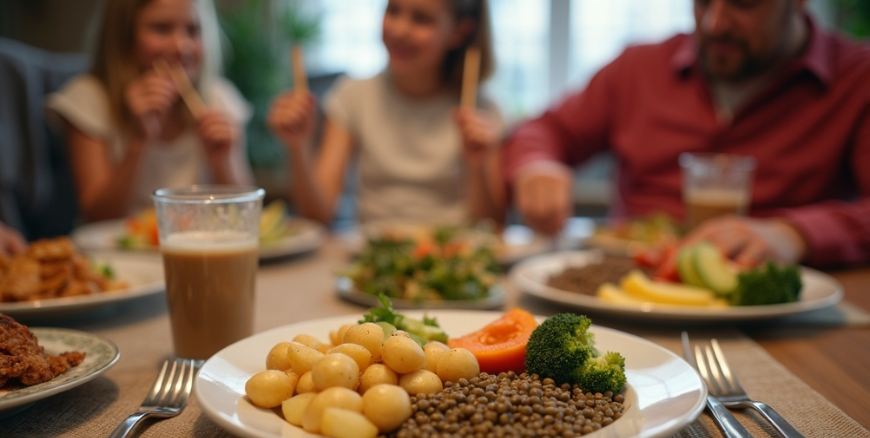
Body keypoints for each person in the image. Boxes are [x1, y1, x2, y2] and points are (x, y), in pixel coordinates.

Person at [503, 0, 870, 269]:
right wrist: (538, 165)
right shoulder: (639, 67)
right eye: (702, 3)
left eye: (744, 5)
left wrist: (795, 234)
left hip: (782, 310)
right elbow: (544, 130)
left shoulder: (856, 78)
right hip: (630, 292)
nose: (714, 24)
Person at [268, 0, 505, 228]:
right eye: (393, 10)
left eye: (421, 19)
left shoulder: (481, 111)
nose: (400, 29)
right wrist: (298, 147)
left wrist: (477, 165)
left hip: (454, 256)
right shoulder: (353, 96)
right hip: (376, 257)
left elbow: (491, 227)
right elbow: (318, 216)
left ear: (459, 32)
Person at [45, 0, 253, 222]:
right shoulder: (89, 99)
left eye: (193, 30)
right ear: (123, 35)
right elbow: (98, 215)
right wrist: (138, 141)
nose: (181, 46)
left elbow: (246, 215)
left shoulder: (218, 99)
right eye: (162, 28)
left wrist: (223, 161)